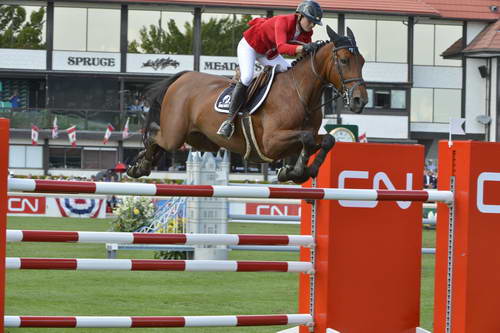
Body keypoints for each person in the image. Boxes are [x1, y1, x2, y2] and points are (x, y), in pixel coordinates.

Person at [217, 0, 323, 139]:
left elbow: (305, 54)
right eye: (309, 20)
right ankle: (229, 121)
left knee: (290, 72)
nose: (311, 25)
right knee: (247, 76)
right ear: (299, 16)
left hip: (268, 53)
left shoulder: (307, 33)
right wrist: (302, 48)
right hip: (250, 46)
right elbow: (282, 47)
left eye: (314, 23)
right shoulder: (283, 21)